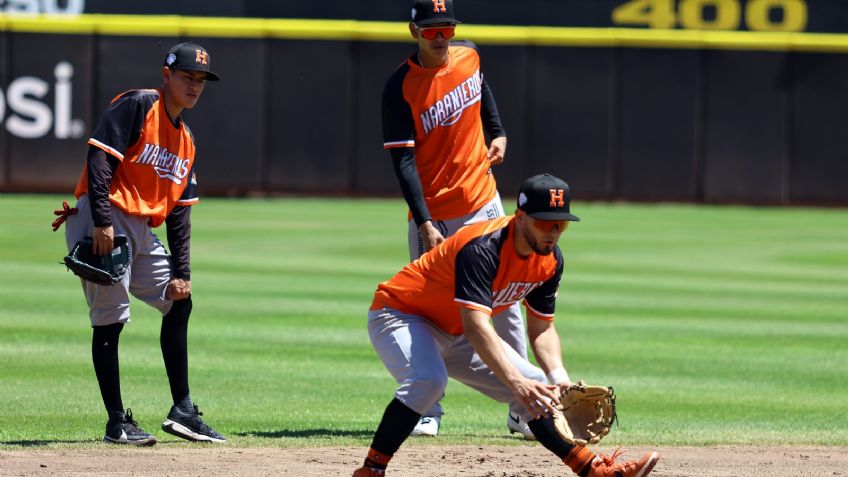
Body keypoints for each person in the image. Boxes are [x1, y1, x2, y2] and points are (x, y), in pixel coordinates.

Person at [352, 174, 660, 477]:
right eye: (543, 223)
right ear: (520, 217)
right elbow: (476, 326)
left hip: (455, 330)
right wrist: (516, 383)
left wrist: (559, 377)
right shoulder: (483, 248)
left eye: (560, 224)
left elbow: (542, 329)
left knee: (538, 386)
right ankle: (372, 469)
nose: (552, 232)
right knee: (429, 381)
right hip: (401, 315)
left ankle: (593, 470)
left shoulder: (550, 261)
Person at [57, 42, 225, 445]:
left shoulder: (186, 139)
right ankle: (117, 422)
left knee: (178, 300)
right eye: (188, 77)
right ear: (166, 76)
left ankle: (182, 410)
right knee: (111, 317)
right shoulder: (138, 106)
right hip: (103, 216)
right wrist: (100, 222)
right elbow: (100, 160)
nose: (195, 86)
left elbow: (181, 214)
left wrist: (182, 273)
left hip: (139, 227)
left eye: (201, 80)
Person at [382, 0, 531, 438]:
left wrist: (498, 130)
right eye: (432, 30)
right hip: (436, 215)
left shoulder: (468, 56)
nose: (441, 36)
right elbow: (404, 162)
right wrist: (424, 221)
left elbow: (482, 91)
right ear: (415, 33)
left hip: (484, 202)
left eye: (446, 27)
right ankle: (427, 408)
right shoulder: (401, 87)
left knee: (507, 302)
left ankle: (523, 404)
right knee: (427, 310)